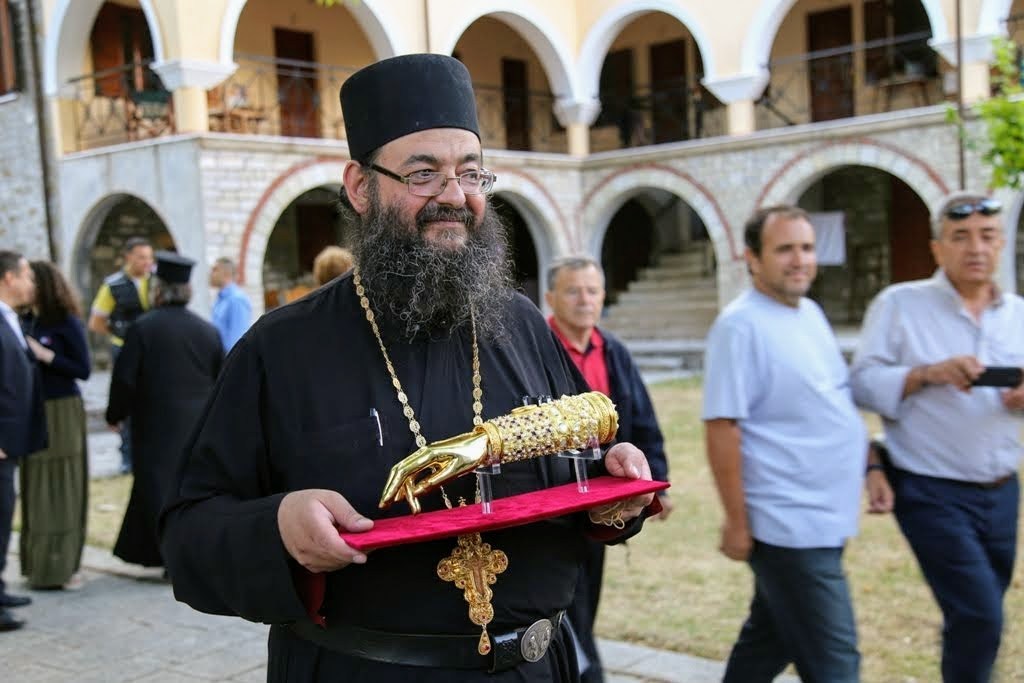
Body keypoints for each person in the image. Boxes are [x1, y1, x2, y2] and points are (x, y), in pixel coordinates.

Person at [159, 53, 658, 683]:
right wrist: (277, 527)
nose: (454, 197)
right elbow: (187, 536)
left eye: (472, 174)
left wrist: (614, 492)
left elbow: (579, 475)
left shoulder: (524, 323)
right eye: (424, 174)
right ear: (361, 187)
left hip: (538, 668)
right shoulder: (280, 349)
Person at [702, 206, 889, 683]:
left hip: (825, 516)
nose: (800, 260)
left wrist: (869, 465)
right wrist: (738, 524)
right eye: (784, 249)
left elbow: (833, 403)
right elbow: (722, 428)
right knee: (836, 662)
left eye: (806, 247)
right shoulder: (740, 325)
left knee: (768, 640)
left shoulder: (810, 312)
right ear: (753, 258)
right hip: (788, 524)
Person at [850, 191, 1024, 683]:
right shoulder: (900, 305)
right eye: (960, 237)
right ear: (936, 248)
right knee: (981, 615)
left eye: (987, 237)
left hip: (1003, 489)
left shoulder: (1018, 314)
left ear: (1002, 243)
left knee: (975, 615)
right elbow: (861, 385)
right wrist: (928, 373)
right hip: (931, 489)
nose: (976, 248)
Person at [544, 255, 672, 683]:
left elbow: (643, 421)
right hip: (554, 502)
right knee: (564, 600)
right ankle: (584, 670)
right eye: (573, 290)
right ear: (551, 298)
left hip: (605, 504)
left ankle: (580, 662)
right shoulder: (536, 350)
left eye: (593, 290)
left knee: (587, 596)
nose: (585, 300)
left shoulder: (612, 350)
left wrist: (658, 483)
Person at [107, 252, 223, 569]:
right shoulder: (206, 330)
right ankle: (184, 553)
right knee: (188, 492)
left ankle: (173, 559)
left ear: (157, 289)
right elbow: (222, 378)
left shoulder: (143, 329)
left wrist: (114, 414)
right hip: (197, 426)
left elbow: (125, 380)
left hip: (155, 425)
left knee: (158, 489)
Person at [20, 261, 91, 589]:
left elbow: (83, 368)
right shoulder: (23, 320)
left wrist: (45, 355)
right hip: (32, 408)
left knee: (62, 486)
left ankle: (62, 566)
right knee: (36, 486)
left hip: (61, 410)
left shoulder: (64, 322)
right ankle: (37, 565)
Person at [0, 251, 46, 632]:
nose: (32, 282)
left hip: (11, 441)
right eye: (27, 275)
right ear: (8, 278)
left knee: (3, 517)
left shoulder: (10, 318)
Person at [89, 237, 154, 474]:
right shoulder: (112, 285)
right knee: (127, 400)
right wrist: (119, 335)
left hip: (155, 350)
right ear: (128, 257)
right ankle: (128, 457)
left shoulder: (157, 281)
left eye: (149, 257)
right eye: (141, 257)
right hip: (124, 348)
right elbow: (96, 322)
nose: (146, 262)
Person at [209, 257, 252, 352]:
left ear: (226, 273)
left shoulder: (236, 300)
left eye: (215, 270)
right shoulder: (221, 299)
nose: (210, 274)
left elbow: (236, 343)